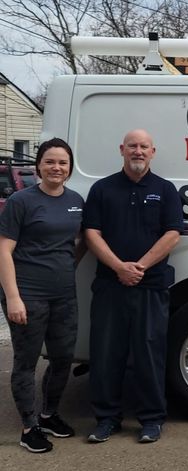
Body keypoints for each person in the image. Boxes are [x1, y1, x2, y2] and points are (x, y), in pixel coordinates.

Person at [83, 129, 183, 444]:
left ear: (153, 152)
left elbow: (173, 234)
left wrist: (139, 266)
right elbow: (91, 234)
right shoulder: (102, 189)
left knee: (149, 354)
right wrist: (118, 267)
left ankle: (151, 420)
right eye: (132, 146)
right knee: (105, 354)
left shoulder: (165, 190)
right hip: (110, 286)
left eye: (143, 147)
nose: (137, 151)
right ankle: (106, 419)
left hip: (150, 285)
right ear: (121, 150)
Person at [0, 138, 85, 453]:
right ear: (38, 166)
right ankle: (28, 427)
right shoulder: (22, 201)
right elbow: (4, 250)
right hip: (28, 295)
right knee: (26, 361)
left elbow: (80, 241)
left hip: (64, 295)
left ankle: (49, 415)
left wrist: (66, 265)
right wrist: (13, 297)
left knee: (63, 357)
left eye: (62, 162)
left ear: (69, 167)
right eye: (50, 161)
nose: (56, 168)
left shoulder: (75, 200)